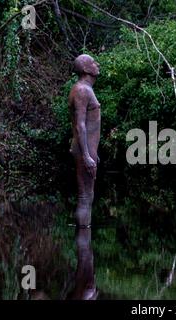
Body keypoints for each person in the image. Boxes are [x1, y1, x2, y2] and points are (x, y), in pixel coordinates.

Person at [68, 54, 101, 228]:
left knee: (88, 194)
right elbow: (80, 125)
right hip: (83, 150)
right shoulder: (82, 90)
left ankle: (84, 240)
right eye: (93, 62)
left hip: (87, 149)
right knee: (85, 195)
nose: (97, 64)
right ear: (86, 69)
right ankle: (83, 236)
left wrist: (93, 153)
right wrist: (87, 155)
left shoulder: (85, 89)